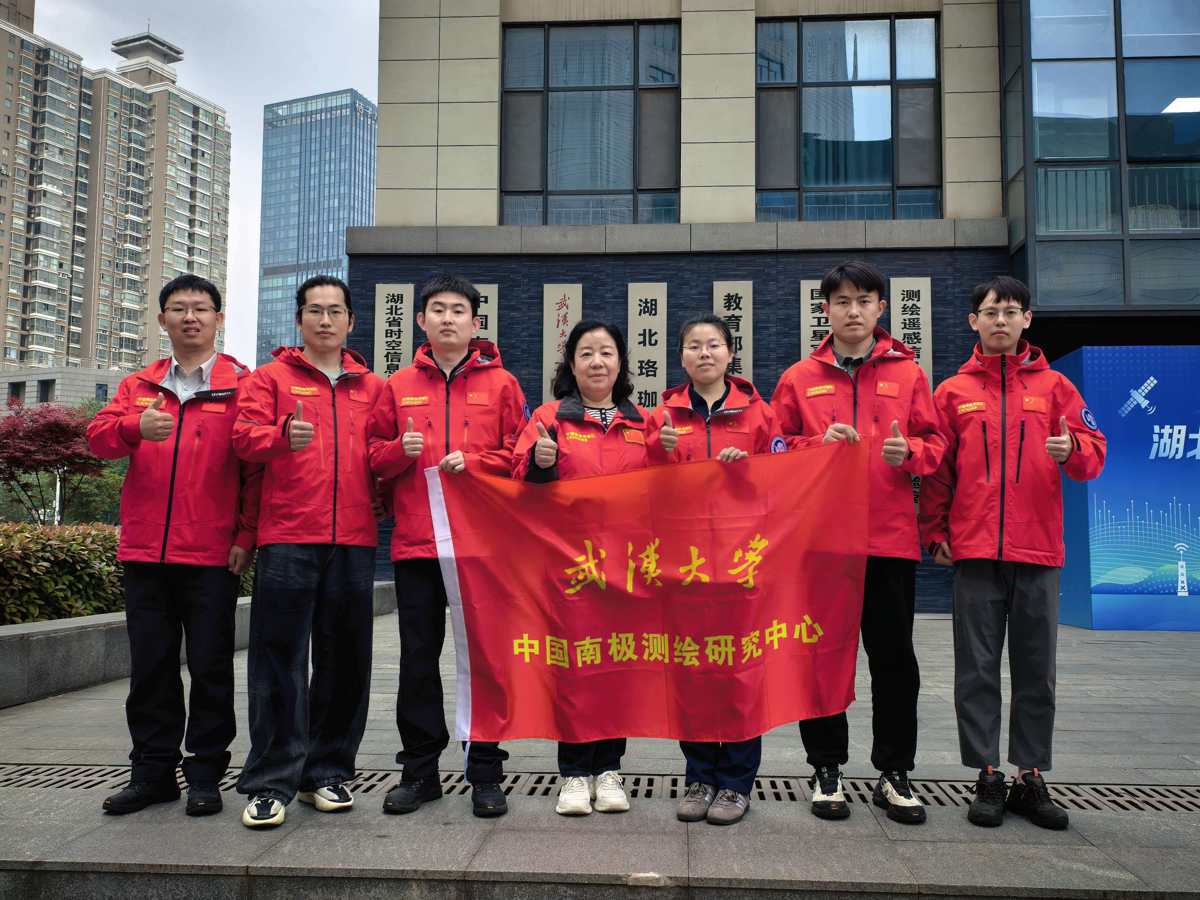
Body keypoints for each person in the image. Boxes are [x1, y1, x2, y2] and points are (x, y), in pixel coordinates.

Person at [919, 275, 1106, 830]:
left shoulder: (1057, 388)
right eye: (990, 312)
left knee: (1036, 671)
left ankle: (1030, 776)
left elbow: (1094, 455)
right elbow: (938, 472)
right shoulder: (953, 392)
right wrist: (935, 532)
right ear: (973, 321)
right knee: (975, 669)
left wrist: (1072, 448)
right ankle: (987, 774)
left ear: (1027, 319)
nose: (999, 320)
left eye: (1010, 311)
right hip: (975, 551)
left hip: (1038, 550)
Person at [770, 261, 944, 825]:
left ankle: (895, 771)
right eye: (842, 301)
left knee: (894, 661)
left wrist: (909, 453)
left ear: (880, 308)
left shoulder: (909, 374)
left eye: (864, 301)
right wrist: (817, 445)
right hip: (821, 543)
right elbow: (773, 447)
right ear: (825, 309)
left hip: (888, 540)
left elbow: (937, 444)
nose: (853, 311)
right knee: (821, 657)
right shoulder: (799, 377)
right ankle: (826, 768)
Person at [87, 274, 259, 818]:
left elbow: (256, 470)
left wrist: (246, 536)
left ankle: (206, 774)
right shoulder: (138, 385)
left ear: (218, 319)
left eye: (201, 308)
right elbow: (97, 440)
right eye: (179, 308)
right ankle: (152, 773)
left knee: (211, 668)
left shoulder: (243, 386)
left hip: (212, 554)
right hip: (145, 553)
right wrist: (135, 427)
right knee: (151, 669)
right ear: (162, 320)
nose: (190, 317)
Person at [366, 274, 527, 819]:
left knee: (485, 661)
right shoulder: (397, 385)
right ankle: (419, 772)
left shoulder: (503, 384)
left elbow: (520, 455)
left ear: (475, 322)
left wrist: (478, 463)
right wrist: (400, 451)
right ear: (421, 321)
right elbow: (373, 457)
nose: (448, 318)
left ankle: (486, 772)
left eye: (459, 310)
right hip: (417, 545)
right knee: (418, 660)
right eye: (438, 309)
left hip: (482, 547)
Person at [231, 274, 385, 829]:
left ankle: (327, 771)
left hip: (354, 539)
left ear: (350, 321)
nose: (325, 320)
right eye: (314, 310)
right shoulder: (270, 379)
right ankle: (271, 781)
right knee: (279, 661)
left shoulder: (374, 388)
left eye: (335, 311)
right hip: (289, 536)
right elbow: (241, 437)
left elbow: (384, 452)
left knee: (345, 662)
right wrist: (279, 436)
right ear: (298, 320)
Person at [645, 314, 785, 826]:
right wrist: (658, 455)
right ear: (681, 357)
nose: (704, 353)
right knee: (693, 672)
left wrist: (747, 471)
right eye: (693, 346)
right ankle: (700, 776)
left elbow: (781, 483)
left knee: (742, 672)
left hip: (743, 565)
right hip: (684, 566)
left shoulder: (759, 414)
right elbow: (643, 490)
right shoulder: (661, 416)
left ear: (730, 353)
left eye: (713, 345)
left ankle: (736, 784)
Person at [512, 321, 649, 816]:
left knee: (618, 668)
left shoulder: (644, 422)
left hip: (627, 568)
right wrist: (540, 460)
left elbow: (668, 485)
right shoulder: (549, 418)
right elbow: (519, 482)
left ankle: (609, 769)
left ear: (620, 362)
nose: (597, 362)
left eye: (606, 352)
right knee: (572, 667)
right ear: (571, 364)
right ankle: (573, 772)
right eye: (586, 352)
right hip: (568, 568)